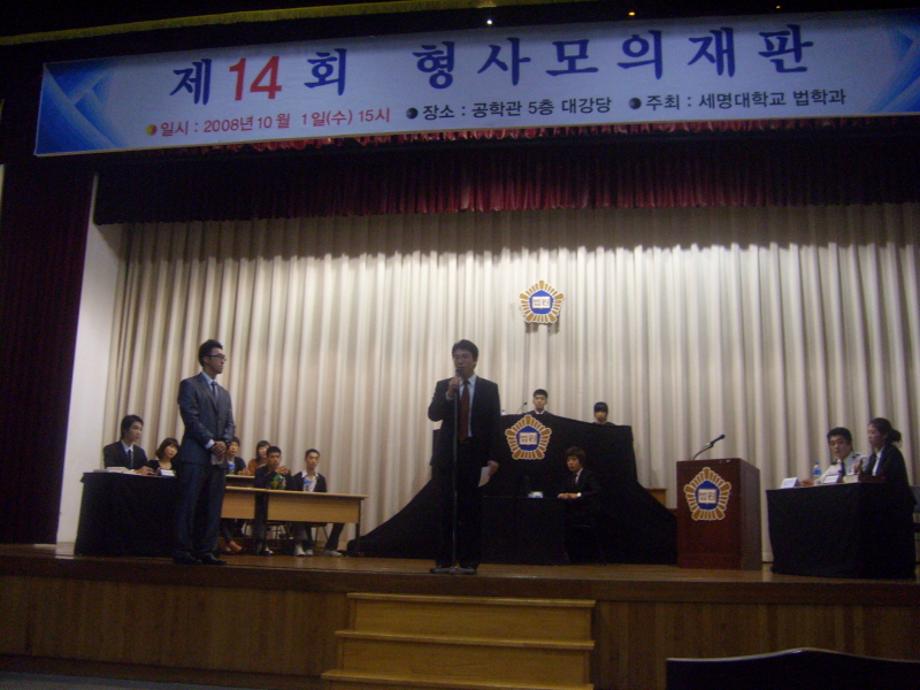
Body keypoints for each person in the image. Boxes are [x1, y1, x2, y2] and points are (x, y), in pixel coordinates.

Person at [428, 339, 501, 574]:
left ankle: (469, 561)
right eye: (456, 357)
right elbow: (433, 414)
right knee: (445, 509)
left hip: (475, 455)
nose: (460, 361)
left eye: (465, 357)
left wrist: (494, 457)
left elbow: (495, 425)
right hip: (448, 456)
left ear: (475, 360)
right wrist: (449, 393)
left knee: (471, 509)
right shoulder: (444, 385)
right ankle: (444, 560)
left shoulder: (489, 388)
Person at [173, 339, 235, 566]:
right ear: (206, 359)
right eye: (219, 357)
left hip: (218, 460)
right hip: (195, 456)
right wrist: (211, 443)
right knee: (189, 505)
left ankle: (206, 550)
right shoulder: (189, 385)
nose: (223, 361)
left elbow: (230, 423)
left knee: (212, 506)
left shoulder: (224, 393)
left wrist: (224, 442)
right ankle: (183, 550)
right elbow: (190, 418)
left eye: (224, 357)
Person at [287, 448, 345, 557]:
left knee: (341, 517)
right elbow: (293, 497)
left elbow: (324, 497)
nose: (313, 461)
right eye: (311, 458)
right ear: (306, 459)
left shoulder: (321, 479)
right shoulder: (297, 477)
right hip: (300, 510)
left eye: (316, 458)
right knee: (300, 515)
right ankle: (306, 546)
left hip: (317, 510)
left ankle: (330, 547)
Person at [557, 446, 602, 562]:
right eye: (568, 460)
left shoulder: (588, 475)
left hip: (587, 511)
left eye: (573, 460)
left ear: (581, 461)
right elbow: (563, 491)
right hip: (573, 511)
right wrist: (563, 495)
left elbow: (596, 491)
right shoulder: (568, 478)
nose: (570, 463)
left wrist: (577, 495)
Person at [252, 445, 287, 555]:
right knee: (260, 511)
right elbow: (259, 487)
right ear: (267, 458)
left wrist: (289, 476)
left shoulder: (284, 471)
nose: (275, 459)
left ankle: (295, 544)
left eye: (277, 457)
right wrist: (274, 473)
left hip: (281, 505)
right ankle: (260, 543)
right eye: (272, 457)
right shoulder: (260, 471)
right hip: (263, 504)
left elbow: (293, 489)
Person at [861, 418, 911, 492]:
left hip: (894, 495)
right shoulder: (873, 456)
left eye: (873, 432)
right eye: (868, 433)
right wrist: (860, 471)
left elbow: (884, 478)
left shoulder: (892, 453)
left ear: (885, 435)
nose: (869, 436)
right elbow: (868, 477)